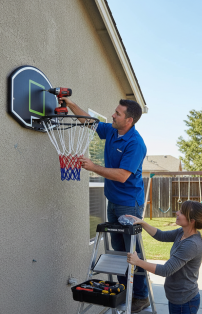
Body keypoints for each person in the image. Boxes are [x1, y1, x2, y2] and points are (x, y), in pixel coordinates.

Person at [60, 97, 149, 313]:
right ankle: (123, 289)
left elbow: (121, 176)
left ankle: (141, 296)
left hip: (129, 205)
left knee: (132, 253)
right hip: (113, 202)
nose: (113, 115)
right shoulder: (112, 131)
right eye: (115, 111)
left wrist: (93, 167)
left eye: (117, 114)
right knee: (119, 252)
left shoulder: (135, 144)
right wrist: (70, 105)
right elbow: (89, 121)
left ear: (129, 120)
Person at [126, 200, 202, 314]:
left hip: (184, 302)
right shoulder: (182, 232)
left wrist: (138, 262)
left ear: (192, 221)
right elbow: (161, 235)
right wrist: (142, 223)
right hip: (176, 298)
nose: (177, 212)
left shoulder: (191, 244)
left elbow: (166, 270)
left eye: (182, 212)